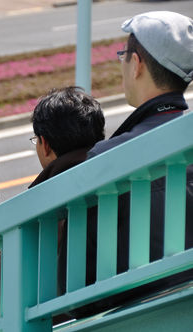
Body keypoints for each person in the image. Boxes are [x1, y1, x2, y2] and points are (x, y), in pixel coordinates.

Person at [75, 11, 193, 319]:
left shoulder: (108, 158)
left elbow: (82, 289)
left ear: (137, 64)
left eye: (123, 56)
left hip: (133, 316)